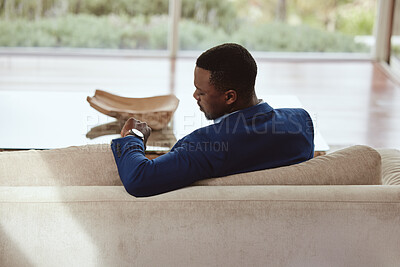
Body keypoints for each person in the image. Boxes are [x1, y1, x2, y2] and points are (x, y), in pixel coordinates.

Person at [111, 43, 314, 197]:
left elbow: (139, 179)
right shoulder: (300, 122)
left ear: (229, 97)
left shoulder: (208, 144)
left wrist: (133, 136)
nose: (194, 96)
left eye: (201, 92)